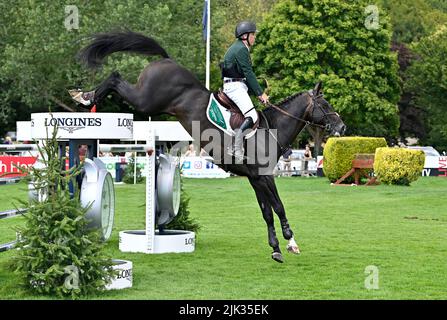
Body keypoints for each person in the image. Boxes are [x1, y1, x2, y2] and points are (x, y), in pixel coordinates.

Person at [221, 21, 269, 162]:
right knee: (253, 116)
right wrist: (261, 93)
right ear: (245, 36)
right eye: (253, 35)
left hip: (236, 84)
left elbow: (244, 74)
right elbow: (248, 73)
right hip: (235, 86)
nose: (254, 37)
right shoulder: (241, 49)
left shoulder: (238, 47)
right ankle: (235, 148)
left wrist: (258, 95)